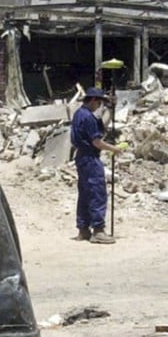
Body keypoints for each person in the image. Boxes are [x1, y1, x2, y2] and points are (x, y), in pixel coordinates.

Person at [71, 87, 126, 244]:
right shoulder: (88, 117)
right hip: (90, 158)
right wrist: (114, 149)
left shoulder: (79, 114)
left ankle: (83, 229)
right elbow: (96, 141)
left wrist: (110, 108)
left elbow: (101, 127)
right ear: (94, 100)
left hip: (81, 157)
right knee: (97, 192)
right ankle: (98, 230)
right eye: (100, 102)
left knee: (85, 193)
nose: (99, 106)